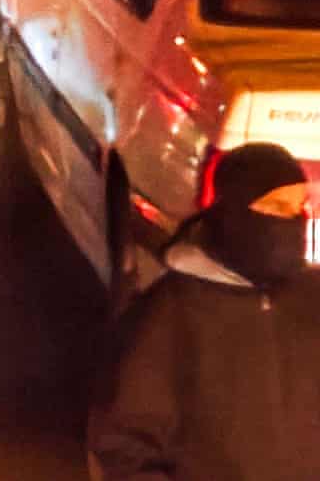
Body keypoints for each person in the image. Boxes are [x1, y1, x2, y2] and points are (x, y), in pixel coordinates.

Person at [89, 141, 318, 481]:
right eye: (277, 207)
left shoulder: (311, 299)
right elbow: (127, 441)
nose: (293, 221)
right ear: (236, 211)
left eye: (299, 207)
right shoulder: (171, 312)